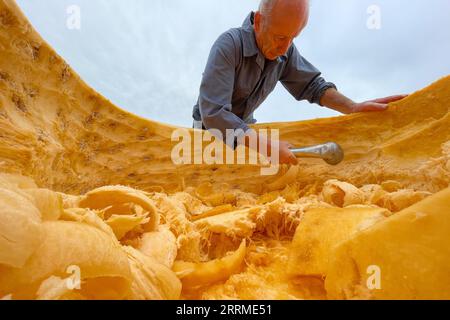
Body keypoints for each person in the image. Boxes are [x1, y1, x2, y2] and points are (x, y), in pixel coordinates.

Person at [192, 0, 407, 164]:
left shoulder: (285, 51)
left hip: (248, 135)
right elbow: (214, 113)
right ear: (258, 22)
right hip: (204, 135)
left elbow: (313, 86)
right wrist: (268, 147)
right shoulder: (228, 45)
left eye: (293, 37)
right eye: (280, 37)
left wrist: (352, 107)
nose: (285, 49)